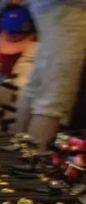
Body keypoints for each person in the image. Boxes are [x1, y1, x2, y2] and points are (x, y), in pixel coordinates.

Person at [16, 0, 86, 149]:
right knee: (53, 97)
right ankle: (32, 160)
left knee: (39, 83)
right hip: (69, 9)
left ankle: (17, 152)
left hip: (56, 8)